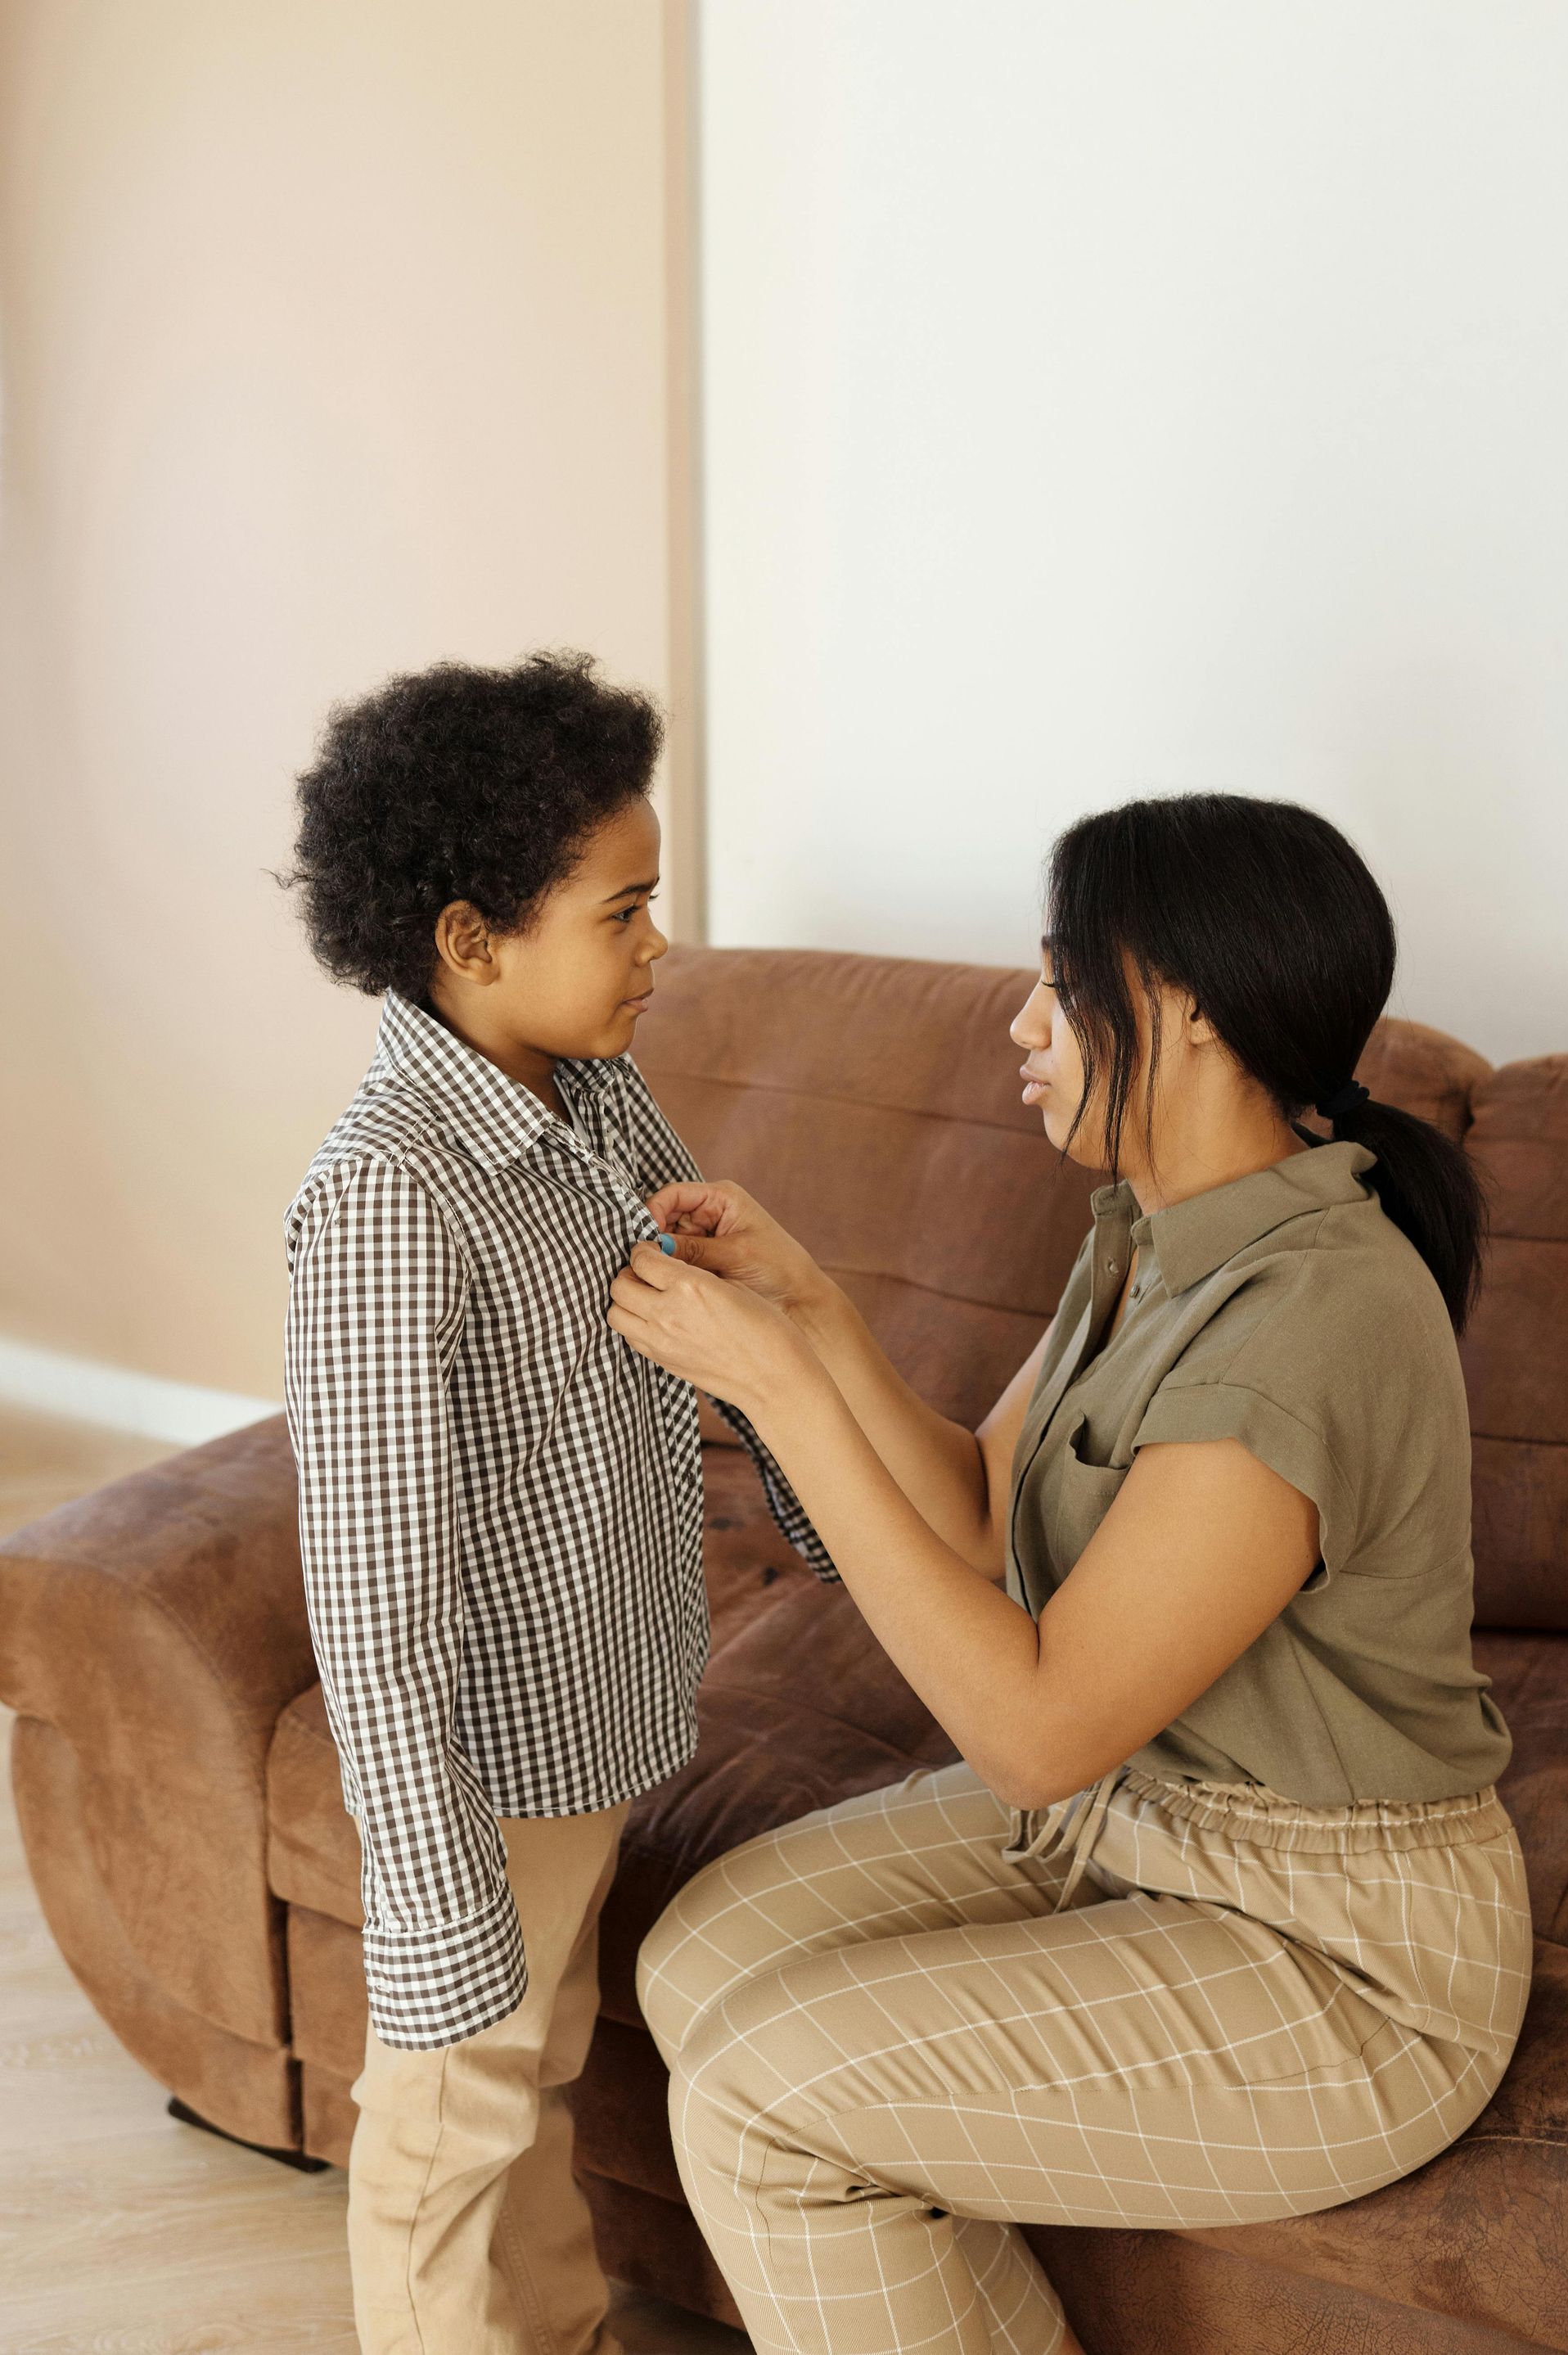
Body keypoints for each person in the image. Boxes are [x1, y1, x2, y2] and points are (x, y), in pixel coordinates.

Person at [611, 792, 1532, 2355]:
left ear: (1176, 1007)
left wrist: (768, 1393)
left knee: (771, 2091)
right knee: (696, 1959)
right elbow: (980, 1506)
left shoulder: (1317, 1314)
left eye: (1057, 980)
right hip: (1144, 1819)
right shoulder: (1147, 1229)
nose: (1024, 1023)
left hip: (1343, 1946)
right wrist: (814, 1312)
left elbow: (1036, 1732)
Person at [279, 652, 832, 2355]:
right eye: (629, 908)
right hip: (487, 1761)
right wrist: (438, 1898)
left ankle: (562, 2330)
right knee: (450, 2116)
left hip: (597, 1712)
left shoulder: (587, 1095)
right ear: (470, 937)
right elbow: (377, 1605)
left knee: (540, 2065)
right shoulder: (389, 1197)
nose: (662, 944)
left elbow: (702, 1332)